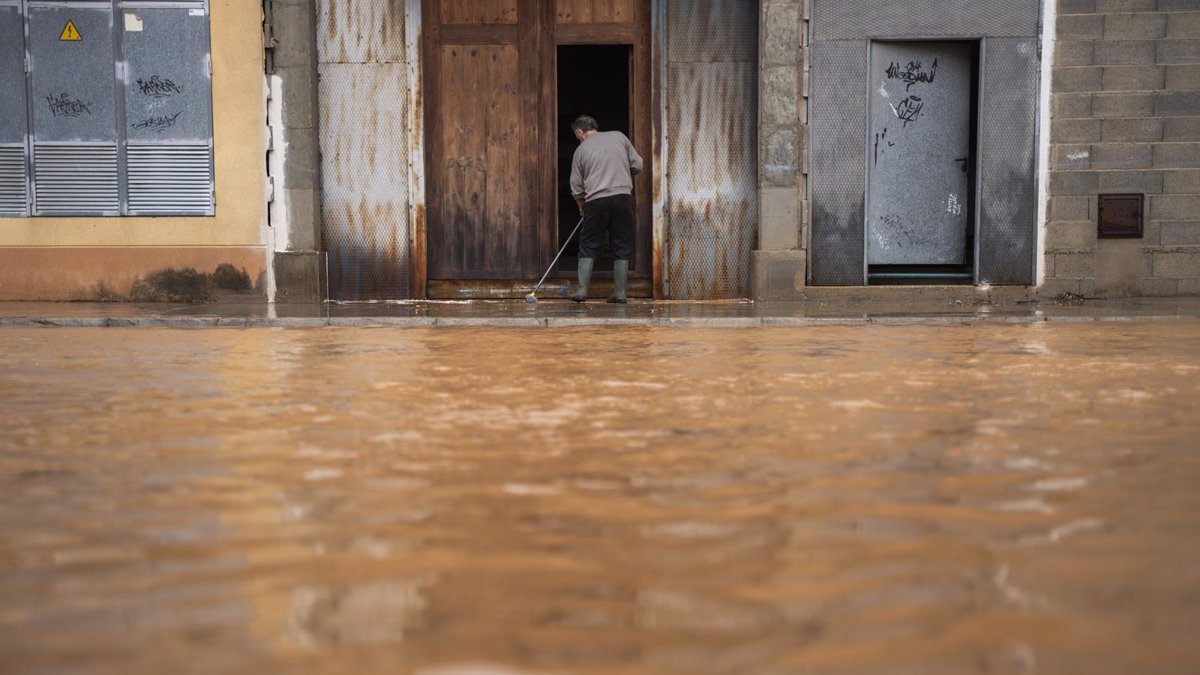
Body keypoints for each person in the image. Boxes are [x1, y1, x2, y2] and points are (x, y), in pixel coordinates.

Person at [568, 115, 642, 303]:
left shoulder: (581, 150)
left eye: (576, 135)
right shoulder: (619, 137)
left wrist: (581, 207)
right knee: (621, 243)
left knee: (588, 243)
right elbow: (637, 164)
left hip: (596, 200)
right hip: (622, 197)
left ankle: (582, 291)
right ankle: (620, 293)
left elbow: (576, 186)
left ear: (579, 132)